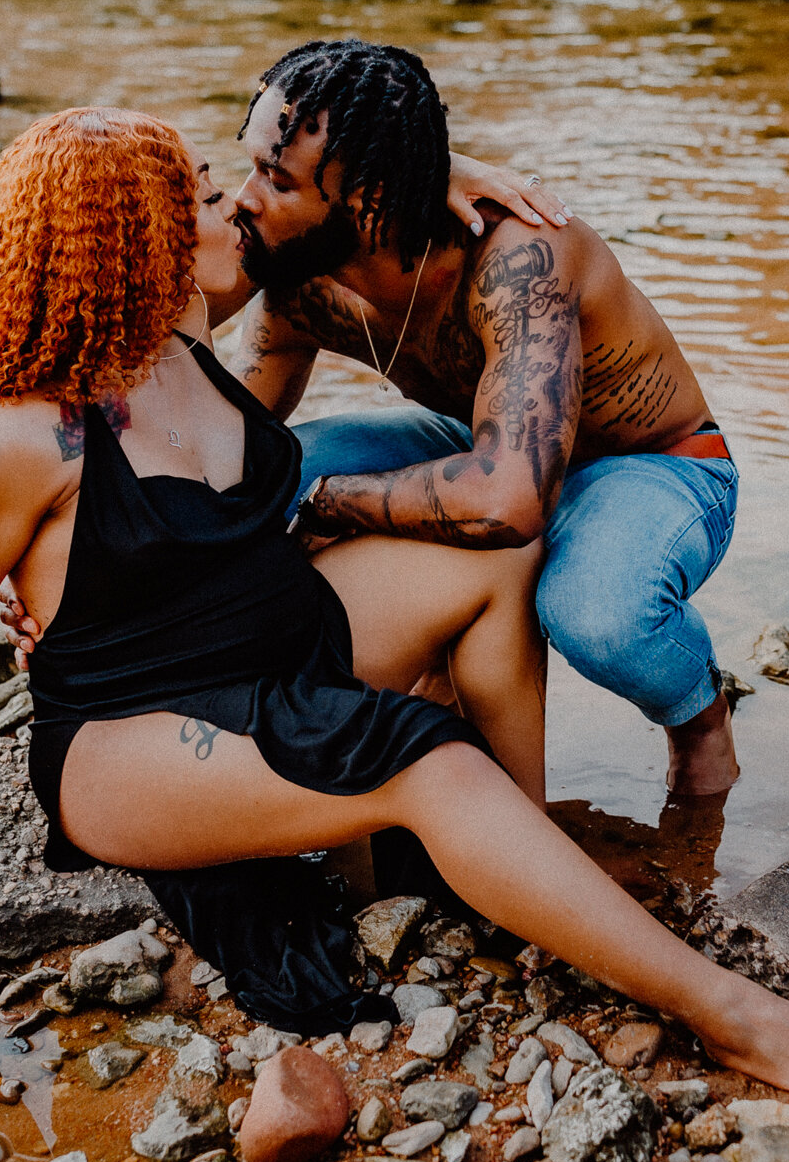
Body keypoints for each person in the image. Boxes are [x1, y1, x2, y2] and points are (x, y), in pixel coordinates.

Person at [0, 105, 789, 1105]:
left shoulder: (178, 316)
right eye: (185, 203)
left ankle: (509, 860)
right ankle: (730, 1013)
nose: (222, 212)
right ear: (114, 249)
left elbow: (324, 194)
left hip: (264, 636)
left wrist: (437, 168)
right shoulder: (13, 442)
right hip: (126, 734)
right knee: (427, 761)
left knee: (494, 561)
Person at [227, 40, 743, 796]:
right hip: (490, 441)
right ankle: (424, 667)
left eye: (274, 179)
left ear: (369, 198)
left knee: (599, 615)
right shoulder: (301, 279)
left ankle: (700, 715)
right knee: (266, 470)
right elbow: (217, 442)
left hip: (654, 464)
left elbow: (507, 499)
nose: (245, 196)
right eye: (251, 168)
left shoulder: (513, 252)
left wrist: (331, 502)